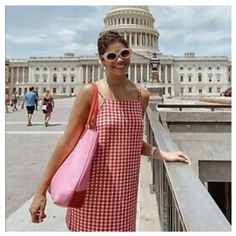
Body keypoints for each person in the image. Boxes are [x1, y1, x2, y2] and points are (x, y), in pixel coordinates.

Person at [29, 31, 190, 231]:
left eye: (124, 53)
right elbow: (67, 143)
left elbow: (129, 141)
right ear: (102, 60)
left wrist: (163, 153)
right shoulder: (91, 92)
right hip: (91, 190)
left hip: (125, 193)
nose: (119, 60)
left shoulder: (142, 95)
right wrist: (40, 192)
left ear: (130, 53)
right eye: (111, 56)